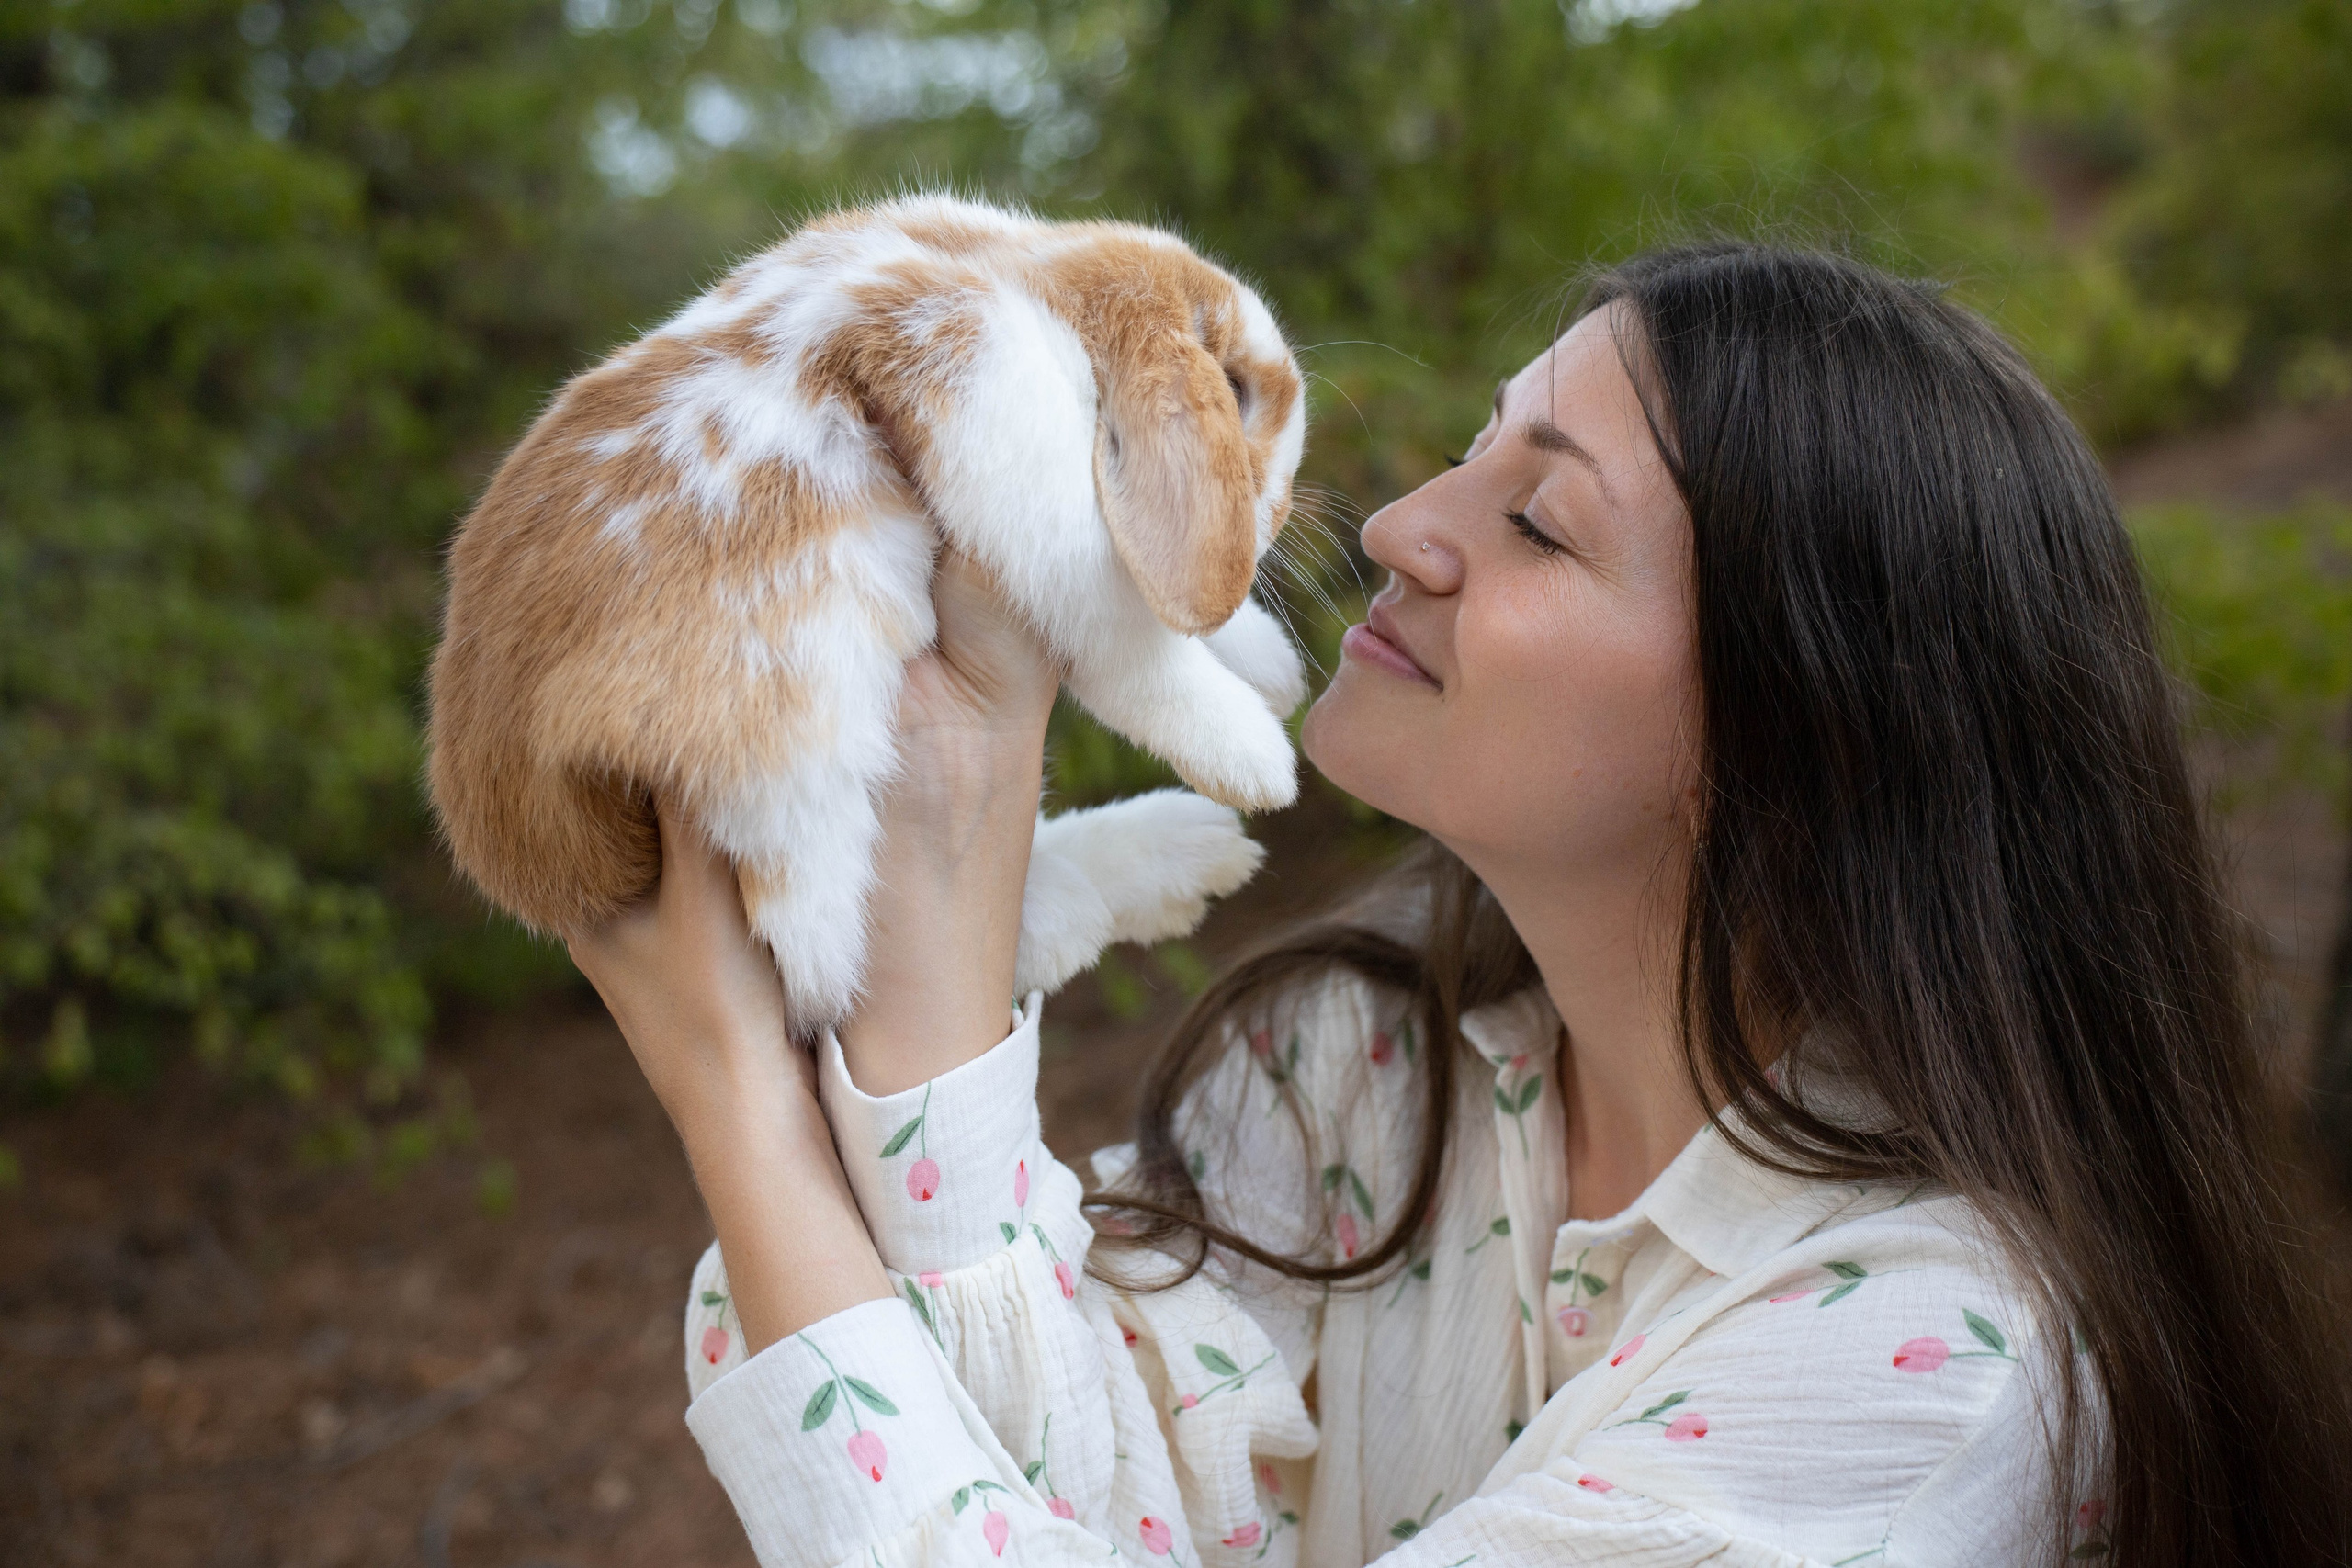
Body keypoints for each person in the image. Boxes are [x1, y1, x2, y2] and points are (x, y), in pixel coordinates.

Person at [568, 244, 2351, 1568]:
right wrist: (938, 907)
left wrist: (741, 1098)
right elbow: (1078, 1489)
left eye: (1541, 523)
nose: (1407, 520)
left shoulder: (1921, 1362)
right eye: (1472, 454)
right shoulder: (1350, 1070)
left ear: (1802, 730)